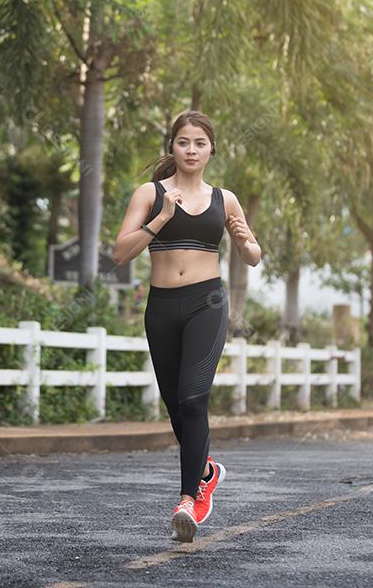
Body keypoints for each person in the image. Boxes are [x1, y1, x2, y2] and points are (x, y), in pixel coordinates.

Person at [112, 110, 262, 543]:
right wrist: (159, 219)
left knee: (195, 398)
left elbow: (253, 256)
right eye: (184, 142)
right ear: (172, 147)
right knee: (177, 407)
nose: (191, 150)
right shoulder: (150, 193)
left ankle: (187, 498)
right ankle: (208, 469)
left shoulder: (225, 198)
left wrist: (244, 238)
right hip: (161, 307)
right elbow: (120, 253)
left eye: (200, 143)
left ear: (211, 149)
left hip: (207, 303)